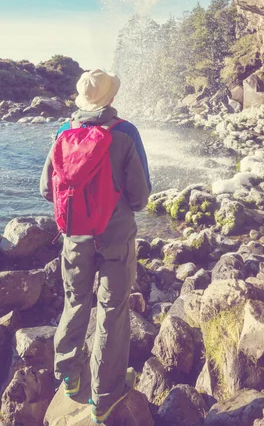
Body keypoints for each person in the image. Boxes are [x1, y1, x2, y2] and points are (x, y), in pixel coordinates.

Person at [40, 68, 151, 425]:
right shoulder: (125, 133)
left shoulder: (63, 131)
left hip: (75, 236)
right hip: (115, 237)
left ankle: (70, 375)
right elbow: (140, 197)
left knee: (76, 300)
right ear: (111, 98)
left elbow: (46, 188)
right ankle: (105, 397)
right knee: (112, 311)